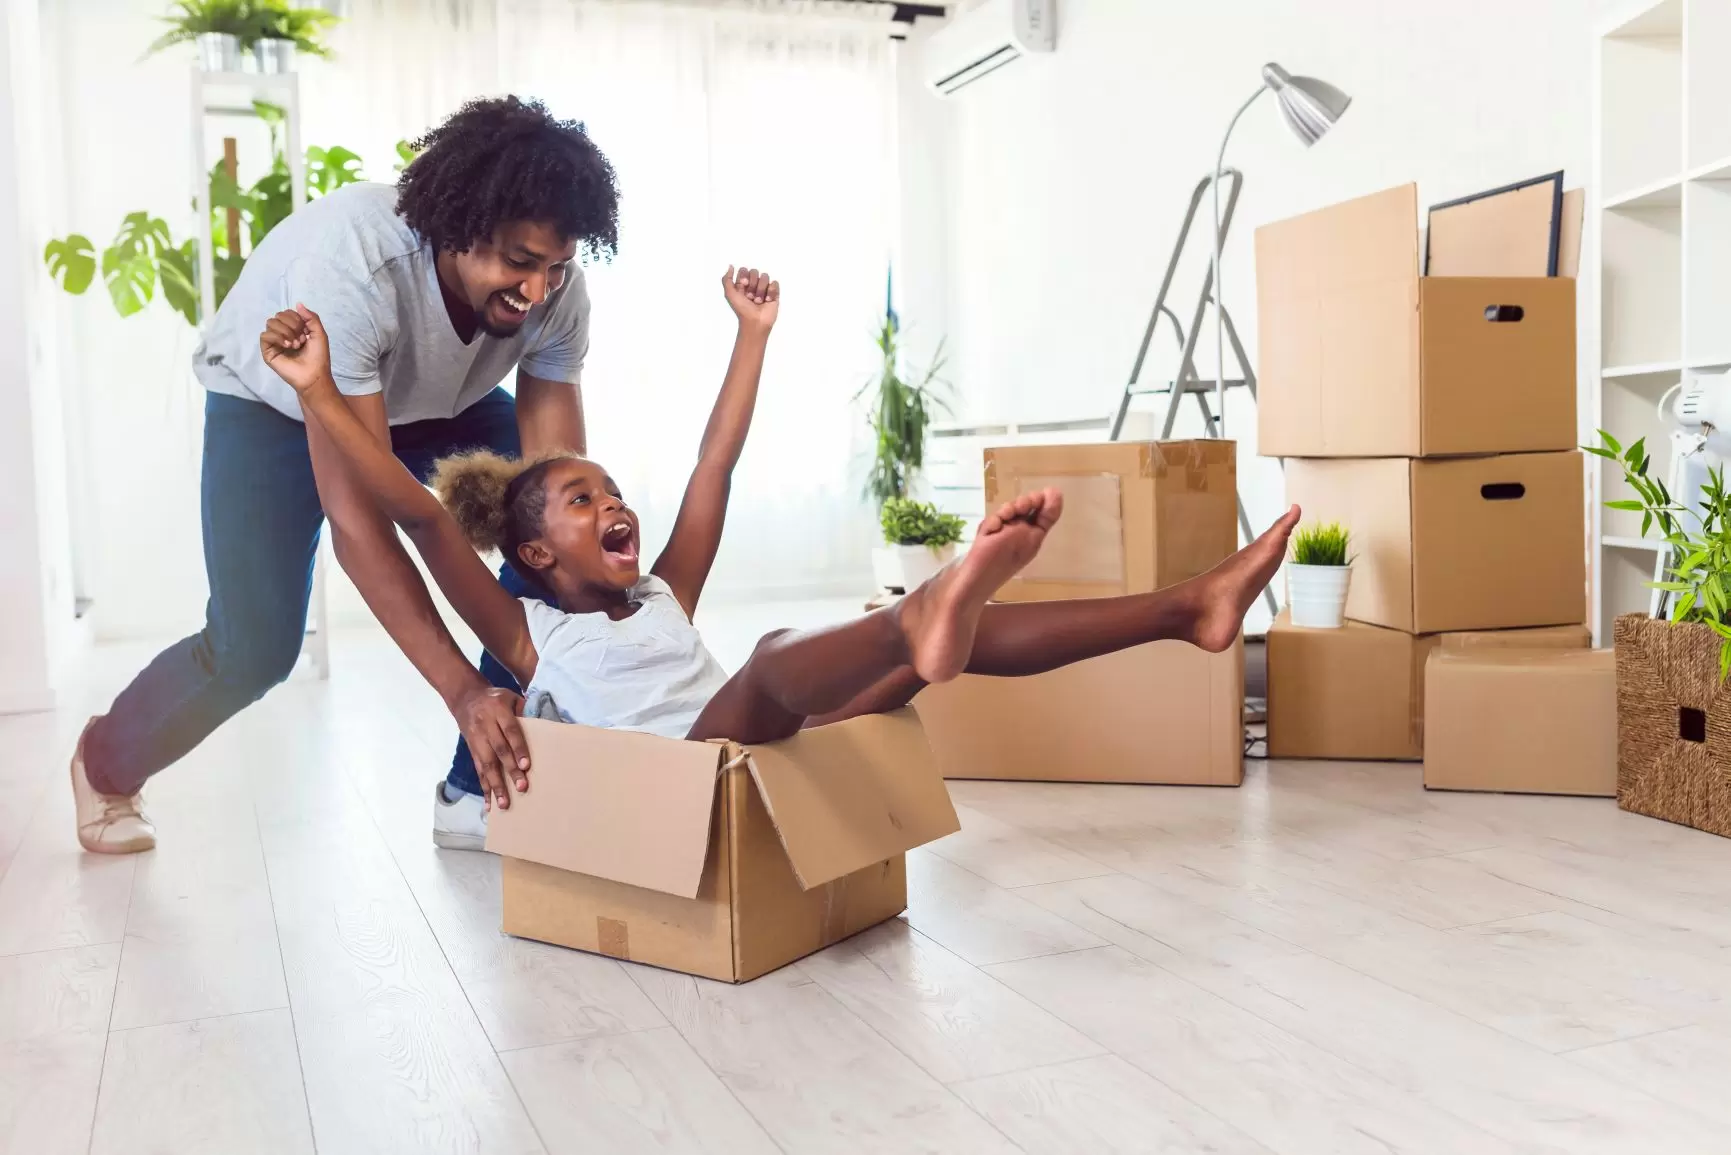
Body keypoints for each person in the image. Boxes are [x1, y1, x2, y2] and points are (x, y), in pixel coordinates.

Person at [254, 269, 1300, 767]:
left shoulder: (664, 589)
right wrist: (315, 391)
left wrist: (752, 332)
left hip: (760, 748)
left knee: (950, 642)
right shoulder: (530, 637)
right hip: (690, 775)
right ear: (533, 552)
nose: (616, 507)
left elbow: (717, 458)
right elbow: (420, 518)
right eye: (585, 503)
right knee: (767, 659)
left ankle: (1186, 608)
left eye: (615, 492)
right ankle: (922, 615)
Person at [69, 96, 618, 855]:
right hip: (283, 401)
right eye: (518, 263)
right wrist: (462, 689)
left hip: (433, 401)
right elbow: (361, 524)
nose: (535, 293)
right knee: (255, 648)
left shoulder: (557, 293)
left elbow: (563, 494)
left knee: (556, 544)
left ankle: (474, 790)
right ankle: (104, 761)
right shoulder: (353, 267)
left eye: (554, 268)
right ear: (455, 229)